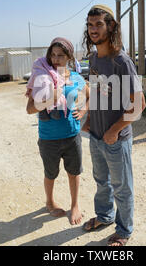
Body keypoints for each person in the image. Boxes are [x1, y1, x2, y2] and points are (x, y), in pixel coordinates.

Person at [81, 4, 146, 246]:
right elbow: (98, 92)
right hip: (96, 137)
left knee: (122, 187)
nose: (93, 29)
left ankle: (124, 230)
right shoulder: (94, 58)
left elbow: (139, 105)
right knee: (101, 182)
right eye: (90, 25)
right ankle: (105, 216)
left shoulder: (122, 61)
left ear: (111, 26)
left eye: (99, 24)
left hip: (115, 140)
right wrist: (89, 120)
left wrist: (114, 130)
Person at [26, 37, 90, 225]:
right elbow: (29, 109)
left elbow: (89, 95)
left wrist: (84, 110)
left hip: (72, 136)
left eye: (60, 55)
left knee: (74, 172)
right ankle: (50, 202)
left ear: (69, 57)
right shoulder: (43, 78)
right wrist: (50, 97)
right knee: (50, 173)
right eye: (52, 55)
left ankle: (75, 205)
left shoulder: (76, 78)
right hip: (49, 138)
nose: (55, 59)